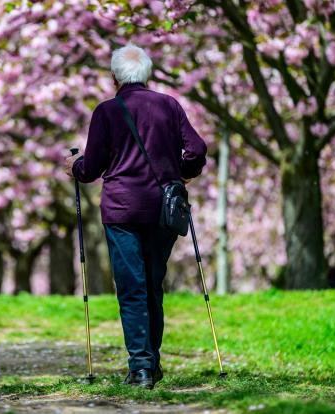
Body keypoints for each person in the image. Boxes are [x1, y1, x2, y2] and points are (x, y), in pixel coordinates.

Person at [64, 44, 207, 389]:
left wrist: (76, 167)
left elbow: (93, 167)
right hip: (162, 209)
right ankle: (151, 362)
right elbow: (198, 149)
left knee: (131, 288)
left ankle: (141, 367)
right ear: (147, 74)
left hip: (123, 210)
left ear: (113, 77)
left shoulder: (107, 111)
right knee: (153, 286)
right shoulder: (169, 105)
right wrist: (181, 171)